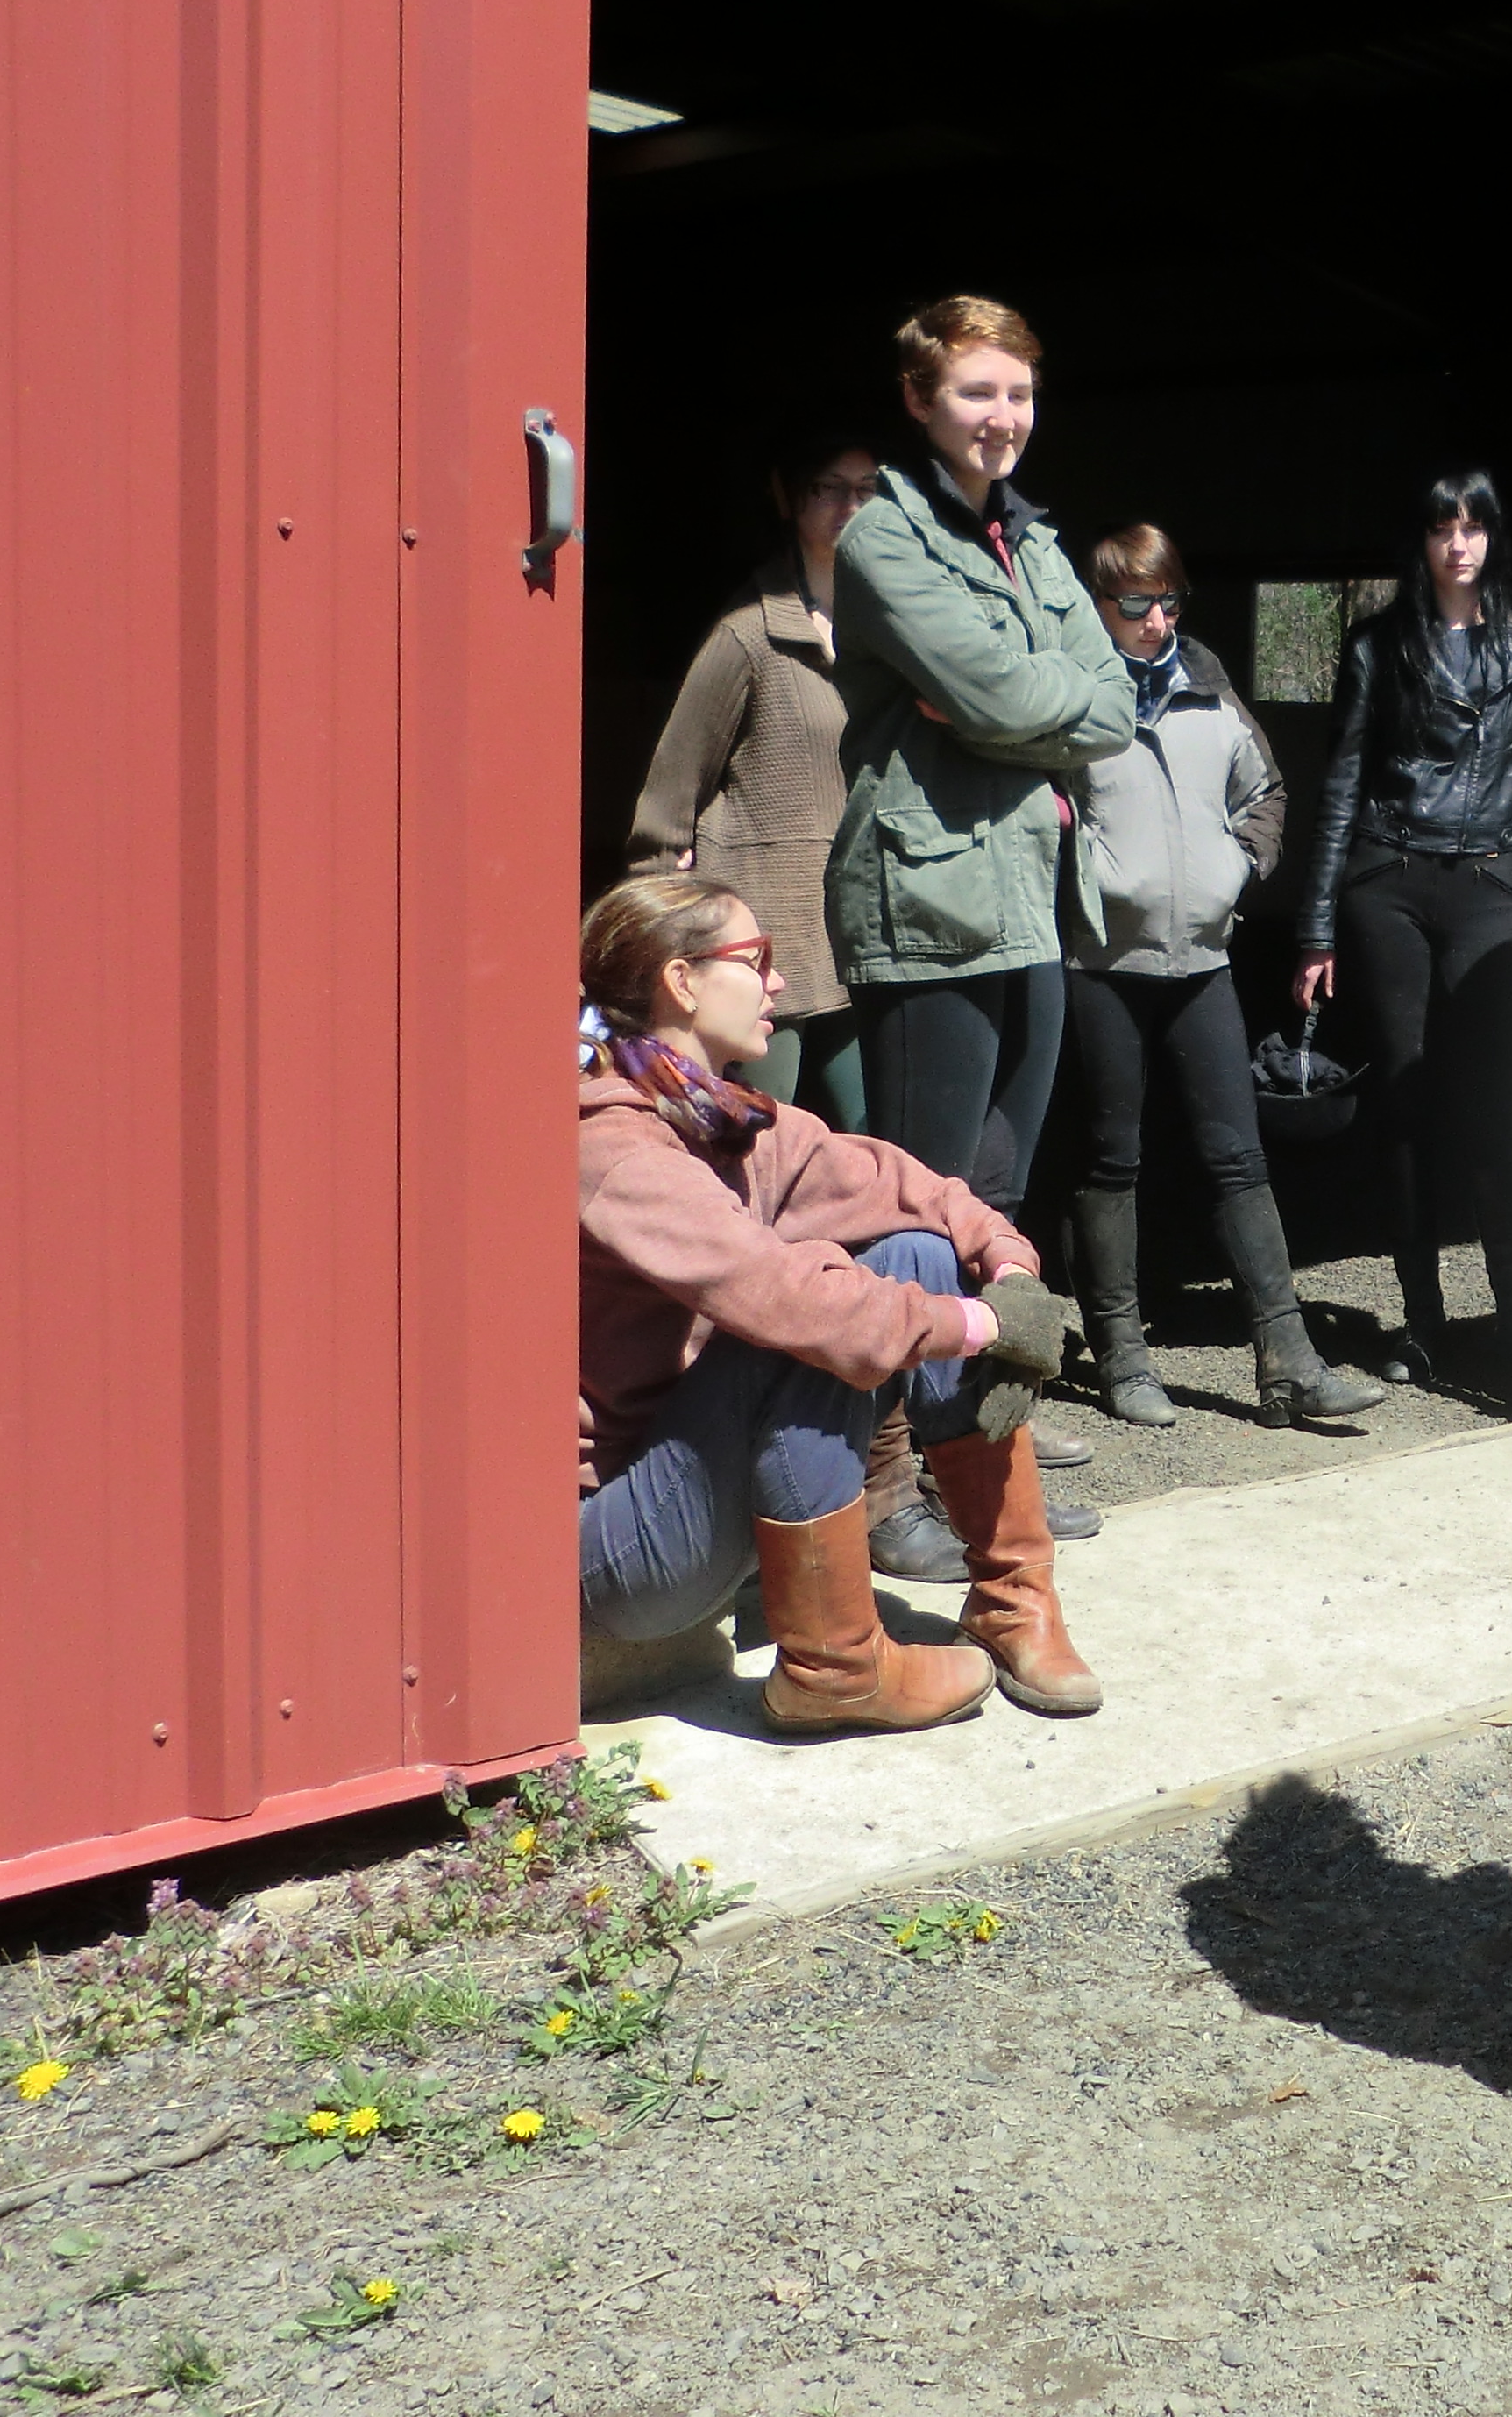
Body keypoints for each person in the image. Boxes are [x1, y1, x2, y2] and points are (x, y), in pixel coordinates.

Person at [575, 876, 1099, 1730]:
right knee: (813, 1307)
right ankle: (835, 1666)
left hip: (697, 1490)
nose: (779, 982)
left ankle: (1013, 1599)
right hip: (620, 1547)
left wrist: (1008, 1269)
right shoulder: (617, 1149)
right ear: (681, 981)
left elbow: (902, 1185)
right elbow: (789, 1299)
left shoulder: (716, 1115)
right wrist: (979, 1325)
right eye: (758, 959)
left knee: (921, 1251)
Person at [830, 295, 1136, 1486]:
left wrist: (1014, 707)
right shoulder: (884, 540)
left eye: (1018, 393)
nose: (1002, 417)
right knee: (916, 1205)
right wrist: (1026, 703)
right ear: (920, 400)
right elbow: (1012, 696)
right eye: (976, 393)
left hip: (1031, 897)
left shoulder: (1036, 539)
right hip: (928, 903)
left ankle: (972, 1444)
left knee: (998, 1194)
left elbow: (1113, 705)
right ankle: (882, 1471)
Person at [1062, 524, 1386, 1432]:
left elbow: (1267, 790)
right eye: (1137, 604)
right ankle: (1123, 1359)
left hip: (1203, 957)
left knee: (1240, 1156)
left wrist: (1240, 867)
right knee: (1110, 1158)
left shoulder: (1207, 684)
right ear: (1100, 603)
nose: (1157, 621)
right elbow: (1036, 808)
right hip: (1101, 962)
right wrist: (1083, 874)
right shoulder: (1069, 694)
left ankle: (1288, 1363)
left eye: (1169, 601)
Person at [1291, 473, 1512, 1399]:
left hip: (1494, 881)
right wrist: (1316, 926)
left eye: (1473, 527)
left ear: (1494, 536)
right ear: (1419, 541)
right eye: (1441, 528)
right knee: (1405, 1106)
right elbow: (1343, 780)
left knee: (1496, 1105)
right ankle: (1421, 1322)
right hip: (1392, 881)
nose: (1459, 544)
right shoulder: (1378, 644)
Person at [625, 430, 881, 1127]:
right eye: (830, 488)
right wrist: (670, 930)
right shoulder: (749, 632)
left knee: (870, 1141)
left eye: (867, 491)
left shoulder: (891, 630)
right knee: (752, 1134)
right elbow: (666, 803)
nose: (850, 507)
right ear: (789, 497)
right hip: (762, 942)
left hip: (857, 942)